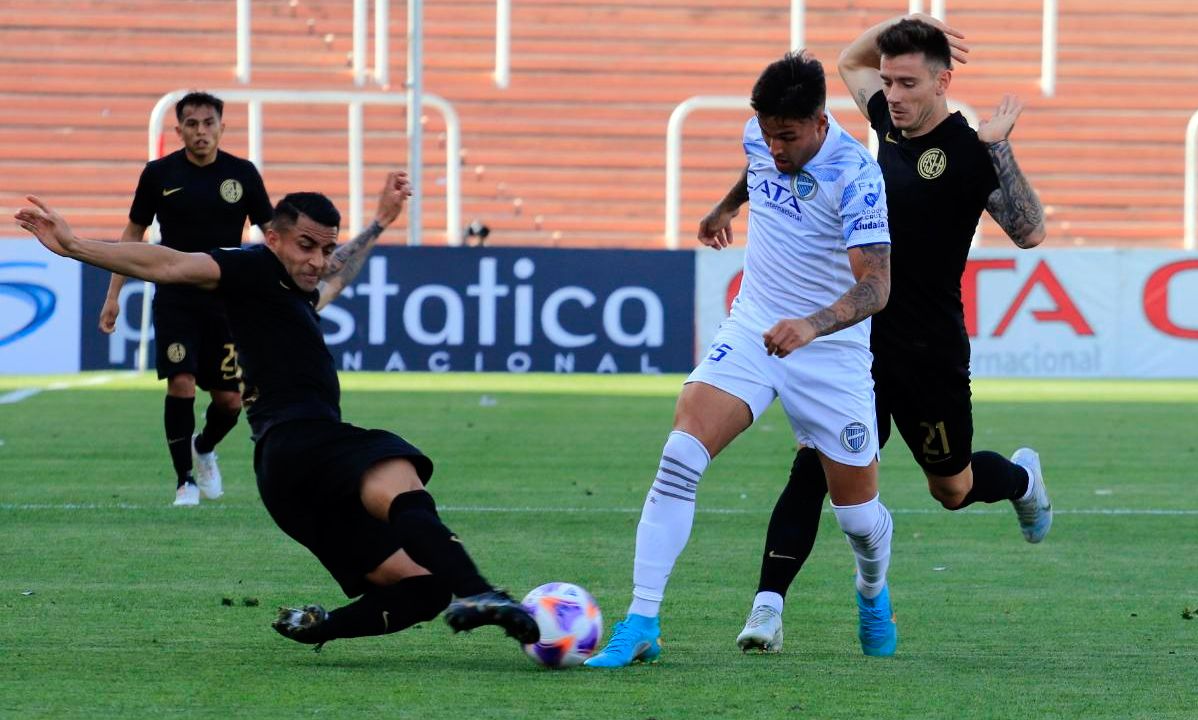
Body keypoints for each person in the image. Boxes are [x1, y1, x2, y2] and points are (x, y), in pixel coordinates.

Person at [15, 172, 539, 651]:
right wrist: (75, 246)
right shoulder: (251, 268)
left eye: (325, 248)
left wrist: (381, 221)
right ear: (273, 238)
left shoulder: (295, 291)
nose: (318, 260)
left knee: (425, 587)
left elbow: (336, 275)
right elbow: (171, 263)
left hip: (288, 480)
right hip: (301, 441)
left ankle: (320, 626)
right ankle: (479, 592)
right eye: (306, 245)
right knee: (398, 471)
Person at [735, 15, 1052, 654]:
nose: (893, 95)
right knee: (815, 466)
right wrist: (900, 24)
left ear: (942, 82)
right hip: (858, 341)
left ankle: (1022, 480)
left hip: (930, 353)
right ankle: (767, 608)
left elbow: (1031, 232)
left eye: (908, 83)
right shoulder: (886, 122)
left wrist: (998, 148)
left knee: (953, 489)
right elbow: (849, 62)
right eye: (889, 83)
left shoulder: (969, 150)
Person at [584, 51, 895, 668]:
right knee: (680, 455)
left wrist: (811, 325)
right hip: (755, 326)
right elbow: (757, 168)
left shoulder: (857, 175)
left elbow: (877, 287)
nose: (774, 147)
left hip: (830, 352)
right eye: (768, 133)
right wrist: (726, 207)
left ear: (820, 122)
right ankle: (642, 619)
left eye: (788, 137)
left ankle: (872, 590)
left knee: (858, 518)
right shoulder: (761, 136)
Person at [100, 91, 274, 507]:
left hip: (226, 300)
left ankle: (204, 447)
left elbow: (273, 235)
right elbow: (133, 234)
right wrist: (113, 294)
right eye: (192, 124)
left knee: (230, 401)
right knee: (181, 382)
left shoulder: (242, 174)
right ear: (178, 130)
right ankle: (184, 481)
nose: (201, 132)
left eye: (208, 123)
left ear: (222, 128)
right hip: (175, 297)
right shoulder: (159, 174)